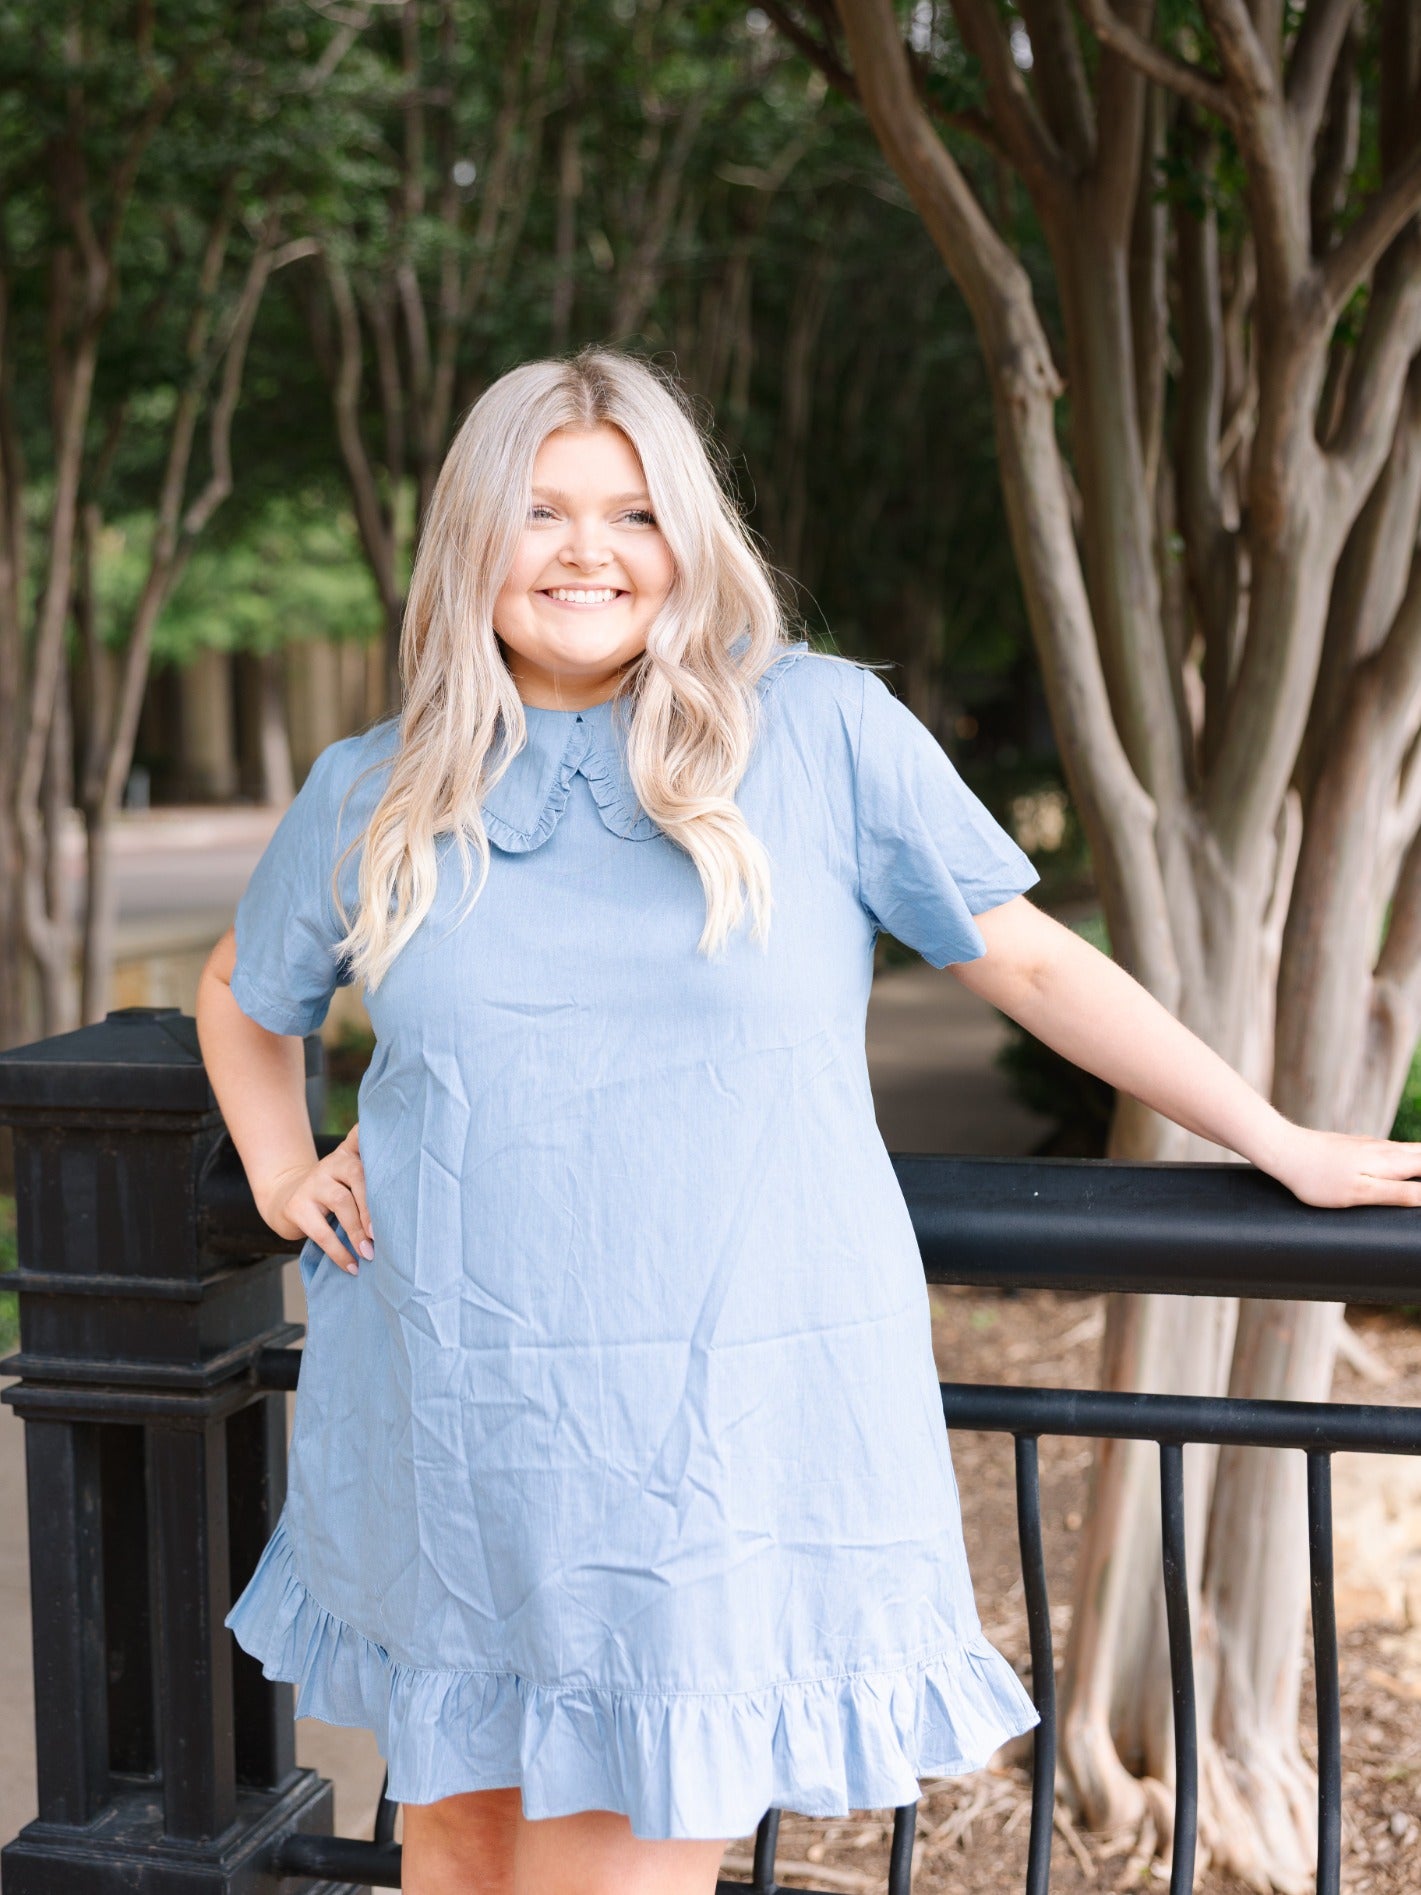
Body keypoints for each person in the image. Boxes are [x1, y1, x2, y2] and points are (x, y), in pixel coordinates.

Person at [197, 345, 1421, 1895]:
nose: (588, 552)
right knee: (456, 1839)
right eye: (542, 511)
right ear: (468, 545)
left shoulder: (821, 735)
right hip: (454, 1404)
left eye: (633, 514)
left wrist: (1277, 1141)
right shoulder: (372, 788)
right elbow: (245, 989)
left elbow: (1028, 961)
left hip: (713, 1427)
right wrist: (278, 1165)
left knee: (605, 1865)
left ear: (687, 544)